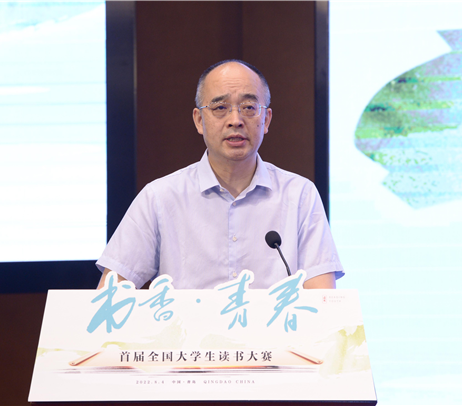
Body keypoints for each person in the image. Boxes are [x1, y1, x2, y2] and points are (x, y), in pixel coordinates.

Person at [96, 60, 343, 290]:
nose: (235, 120)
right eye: (220, 108)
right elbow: (108, 298)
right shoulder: (159, 198)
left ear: (266, 120)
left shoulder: (300, 196)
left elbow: (322, 304)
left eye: (249, 108)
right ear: (199, 120)